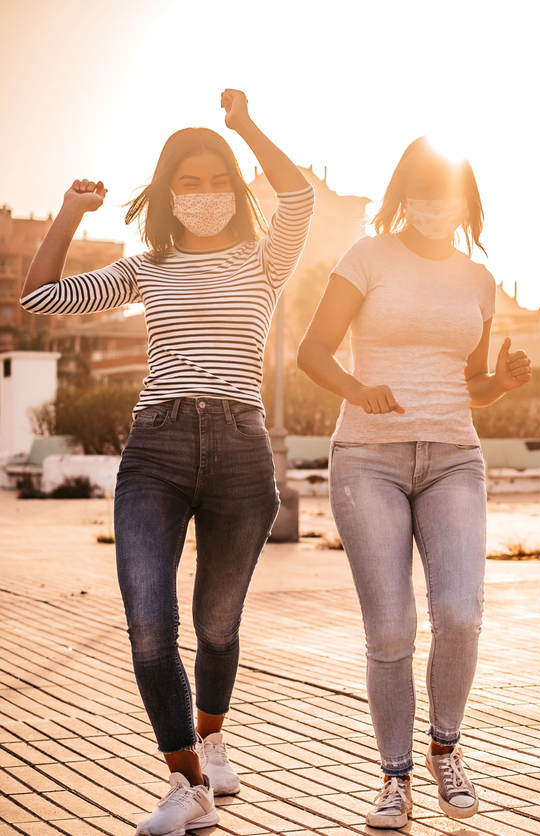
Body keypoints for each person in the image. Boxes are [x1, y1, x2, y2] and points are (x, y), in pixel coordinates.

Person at [20, 91, 313, 836]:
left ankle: (213, 738)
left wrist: (243, 126)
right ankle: (188, 784)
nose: (205, 195)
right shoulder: (146, 268)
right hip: (156, 447)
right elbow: (39, 295)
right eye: (189, 182)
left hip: (243, 453)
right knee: (149, 624)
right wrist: (69, 211)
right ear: (167, 192)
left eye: (219, 181)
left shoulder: (264, 259)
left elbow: (299, 194)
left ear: (234, 191)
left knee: (216, 626)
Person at [297, 137, 531, 828]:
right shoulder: (368, 256)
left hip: (454, 455)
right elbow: (313, 349)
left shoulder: (477, 280)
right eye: (423, 192)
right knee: (392, 625)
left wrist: (504, 382)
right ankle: (393, 777)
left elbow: (472, 386)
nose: (435, 206)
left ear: (466, 202)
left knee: (460, 612)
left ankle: (445, 750)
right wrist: (356, 386)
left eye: (448, 194)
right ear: (405, 193)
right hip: (368, 458)